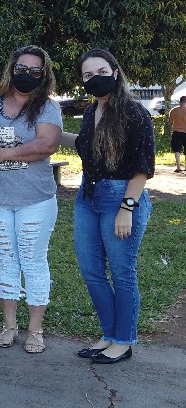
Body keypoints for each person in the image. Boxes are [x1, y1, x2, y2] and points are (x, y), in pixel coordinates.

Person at [60, 48, 154, 364]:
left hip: (120, 197)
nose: (95, 79)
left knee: (122, 273)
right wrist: (53, 134)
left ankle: (123, 341)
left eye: (101, 72)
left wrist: (127, 209)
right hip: (88, 197)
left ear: (115, 72)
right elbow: (85, 145)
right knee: (91, 271)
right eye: (87, 75)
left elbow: (142, 167)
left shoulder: (134, 112)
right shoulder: (91, 112)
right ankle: (109, 335)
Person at [0, 45, 62, 354]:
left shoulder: (47, 107)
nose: (26, 74)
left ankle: (36, 330)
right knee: (5, 260)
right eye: (21, 68)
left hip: (35, 200)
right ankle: (9, 325)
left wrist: (4, 153)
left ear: (44, 74)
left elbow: (47, 144)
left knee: (33, 260)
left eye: (34, 70)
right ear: (11, 69)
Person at [169, 96, 186, 172]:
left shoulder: (173, 111)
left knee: (177, 150)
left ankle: (178, 166)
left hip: (177, 132)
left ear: (180, 102)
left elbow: (171, 122)